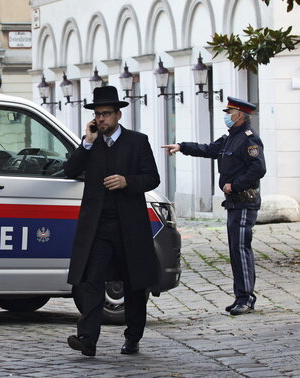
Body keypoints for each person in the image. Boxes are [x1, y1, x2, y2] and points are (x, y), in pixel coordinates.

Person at [64, 86, 161, 357]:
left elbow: (152, 178)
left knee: (133, 282)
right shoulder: (90, 143)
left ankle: (133, 337)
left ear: (118, 115)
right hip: (97, 226)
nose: (102, 118)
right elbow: (70, 169)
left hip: (128, 224)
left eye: (106, 114)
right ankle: (87, 339)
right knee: (91, 281)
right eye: (98, 114)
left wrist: (127, 181)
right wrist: (86, 141)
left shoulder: (137, 141)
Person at [161, 97, 265, 316]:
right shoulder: (231, 138)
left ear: (240, 115)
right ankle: (241, 296)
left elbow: (258, 169)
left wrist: (234, 185)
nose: (226, 115)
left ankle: (246, 298)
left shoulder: (249, 139)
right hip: (234, 203)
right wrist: (182, 147)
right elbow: (209, 149)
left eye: (230, 112)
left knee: (240, 249)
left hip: (244, 201)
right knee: (235, 251)